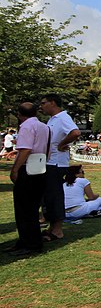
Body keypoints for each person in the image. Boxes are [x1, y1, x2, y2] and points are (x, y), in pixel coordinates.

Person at [8, 102, 50, 256]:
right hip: (40, 167)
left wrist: (15, 169)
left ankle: (30, 243)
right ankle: (27, 240)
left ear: (20, 115)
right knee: (32, 208)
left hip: (28, 168)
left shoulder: (26, 126)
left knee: (23, 208)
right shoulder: (44, 127)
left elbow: (26, 149)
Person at [40, 94, 80, 242]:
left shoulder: (63, 118)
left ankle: (57, 229)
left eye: (44, 103)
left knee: (54, 195)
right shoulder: (53, 120)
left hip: (56, 163)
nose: (41, 106)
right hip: (50, 162)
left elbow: (75, 132)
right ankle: (52, 227)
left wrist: (62, 144)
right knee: (48, 196)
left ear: (53, 103)